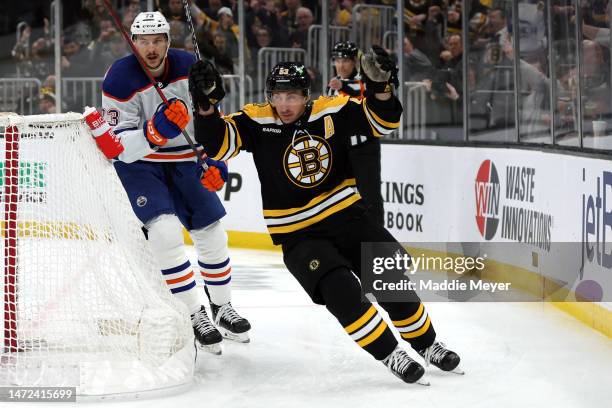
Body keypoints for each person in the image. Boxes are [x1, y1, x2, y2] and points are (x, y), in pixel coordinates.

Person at [188, 49, 462, 383]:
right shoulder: (257, 120)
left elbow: (383, 121)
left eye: (292, 96)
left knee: (392, 283)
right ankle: (391, 354)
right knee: (341, 292)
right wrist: (206, 108)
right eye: (278, 95)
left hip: (349, 218)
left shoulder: (335, 109)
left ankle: (428, 344)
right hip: (300, 235)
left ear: (307, 95)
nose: (285, 104)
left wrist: (381, 90)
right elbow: (216, 144)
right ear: (268, 96)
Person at [99, 11, 251, 353]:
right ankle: (193, 313)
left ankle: (222, 307)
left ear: (168, 42)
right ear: (133, 42)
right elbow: (117, 146)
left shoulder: (191, 67)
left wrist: (215, 160)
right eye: (143, 41)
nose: (151, 49)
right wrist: (154, 132)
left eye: (157, 41)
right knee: (165, 232)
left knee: (212, 230)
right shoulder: (119, 78)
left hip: (186, 158)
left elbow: (212, 124)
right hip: (141, 165)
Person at [326, 41, 384, 227]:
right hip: (341, 149)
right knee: (340, 195)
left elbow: (360, 90)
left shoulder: (365, 80)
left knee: (370, 195)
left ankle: (377, 242)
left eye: (345, 61)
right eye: (337, 60)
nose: (341, 65)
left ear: (353, 62)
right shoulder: (333, 84)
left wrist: (341, 85)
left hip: (364, 147)